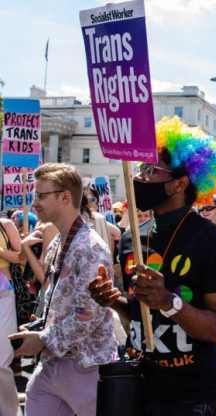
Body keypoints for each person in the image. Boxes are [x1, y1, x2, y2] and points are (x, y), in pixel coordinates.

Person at [88, 117, 216, 415]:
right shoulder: (132, 235)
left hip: (190, 396)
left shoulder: (214, 241)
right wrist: (114, 300)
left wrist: (169, 302)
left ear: (179, 183)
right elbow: (139, 314)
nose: (140, 178)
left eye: (150, 170)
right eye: (141, 169)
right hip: (139, 387)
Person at [9, 163, 117, 416]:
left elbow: (88, 314)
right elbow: (60, 299)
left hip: (86, 366)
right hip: (53, 364)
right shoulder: (58, 241)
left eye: (41, 195)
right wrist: (39, 327)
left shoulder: (91, 247)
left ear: (65, 197)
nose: (34, 203)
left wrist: (43, 339)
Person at [0, 214, 21, 416]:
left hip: (3, 297)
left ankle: (10, 412)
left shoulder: (5, 225)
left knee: (0, 362)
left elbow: (22, 256)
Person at [81, 185, 121, 259]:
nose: (96, 202)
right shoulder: (98, 218)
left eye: (94, 199)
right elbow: (117, 232)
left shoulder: (100, 219)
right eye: (91, 200)